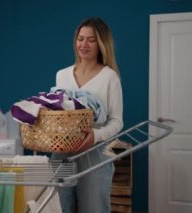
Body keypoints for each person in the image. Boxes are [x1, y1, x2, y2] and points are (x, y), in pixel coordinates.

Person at [52, 18, 123, 213]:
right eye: (80, 39)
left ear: (101, 44)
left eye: (91, 40)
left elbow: (117, 121)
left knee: (94, 208)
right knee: (58, 206)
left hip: (96, 153)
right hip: (62, 151)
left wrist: (95, 135)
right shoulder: (62, 75)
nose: (84, 45)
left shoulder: (110, 77)